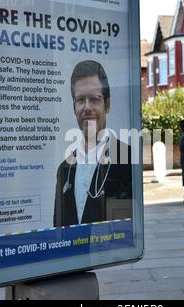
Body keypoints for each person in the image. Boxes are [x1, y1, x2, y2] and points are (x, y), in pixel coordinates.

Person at [53, 60, 133, 227]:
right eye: (81, 100)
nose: (87, 107)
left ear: (107, 104)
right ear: (74, 106)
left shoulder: (127, 158)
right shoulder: (64, 169)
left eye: (95, 99)